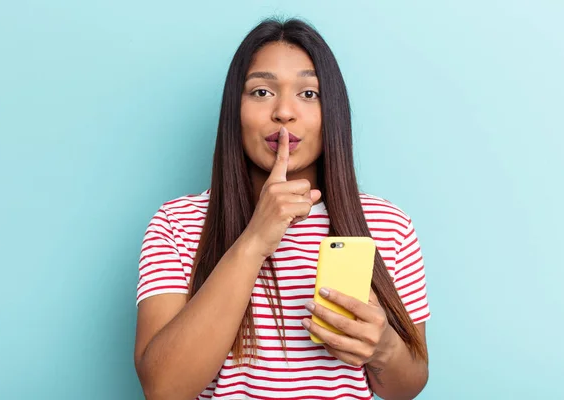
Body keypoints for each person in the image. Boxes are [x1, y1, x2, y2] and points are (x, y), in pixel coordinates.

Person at [134, 18, 431, 400]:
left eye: (309, 94)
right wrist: (254, 240)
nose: (284, 112)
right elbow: (163, 389)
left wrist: (384, 348)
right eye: (261, 91)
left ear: (333, 114)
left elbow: (409, 386)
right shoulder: (177, 224)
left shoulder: (388, 225)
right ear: (234, 111)